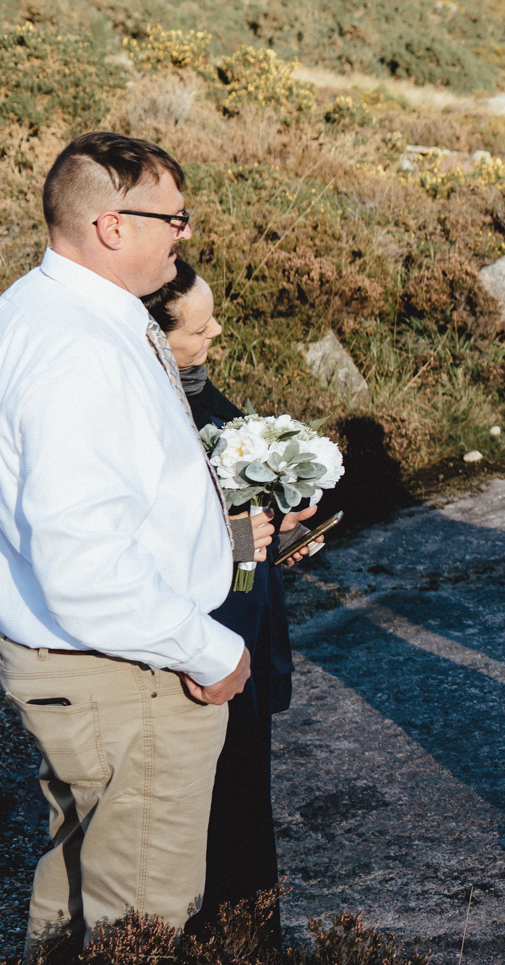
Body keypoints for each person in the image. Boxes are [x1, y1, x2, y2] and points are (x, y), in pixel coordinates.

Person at [0, 132, 272, 947]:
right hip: (127, 675)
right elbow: (83, 561)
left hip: (78, 666)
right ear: (113, 225)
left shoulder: (33, 309)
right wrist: (203, 648)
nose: (184, 235)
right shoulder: (78, 349)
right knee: (141, 922)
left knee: (71, 892)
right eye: (174, 218)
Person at [142, 259, 322, 949]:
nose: (216, 330)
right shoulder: (151, 408)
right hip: (198, 633)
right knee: (211, 801)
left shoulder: (199, 390)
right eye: (200, 324)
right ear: (157, 335)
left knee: (246, 791)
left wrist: (287, 532)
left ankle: (248, 938)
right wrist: (234, 536)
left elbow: (238, 506)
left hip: (243, 611)